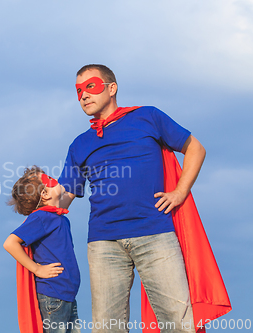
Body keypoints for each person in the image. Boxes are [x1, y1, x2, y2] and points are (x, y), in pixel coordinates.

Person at [58, 64, 207, 333]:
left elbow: (195, 148)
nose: (83, 95)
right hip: (103, 243)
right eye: (79, 91)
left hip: (155, 234)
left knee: (179, 324)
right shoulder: (79, 144)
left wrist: (180, 192)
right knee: (107, 328)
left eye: (90, 86)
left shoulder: (147, 117)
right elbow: (64, 196)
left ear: (111, 88)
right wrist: (35, 203)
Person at [4, 166, 81, 333]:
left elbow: (69, 194)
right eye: (50, 180)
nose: (56, 180)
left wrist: (82, 171)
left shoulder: (56, 215)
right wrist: (37, 268)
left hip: (66, 295)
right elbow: (10, 243)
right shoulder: (42, 217)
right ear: (45, 194)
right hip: (53, 296)